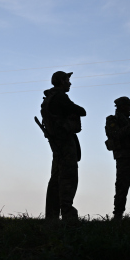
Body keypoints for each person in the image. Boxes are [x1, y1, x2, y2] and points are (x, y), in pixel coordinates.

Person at [40, 71, 86, 221]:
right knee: (68, 178)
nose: (70, 83)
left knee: (55, 180)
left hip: (57, 144)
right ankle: (68, 216)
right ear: (61, 81)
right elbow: (81, 111)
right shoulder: (60, 96)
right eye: (67, 80)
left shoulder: (49, 98)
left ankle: (52, 218)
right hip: (64, 143)